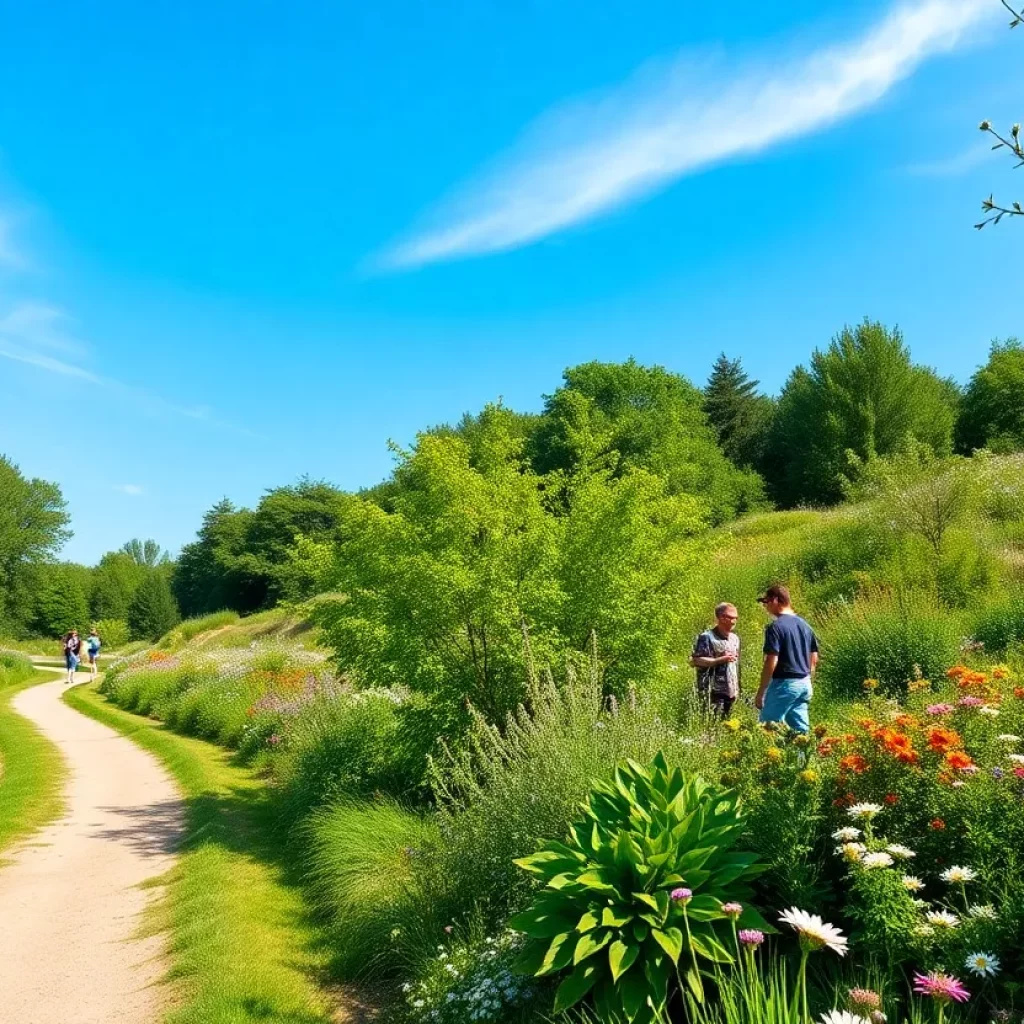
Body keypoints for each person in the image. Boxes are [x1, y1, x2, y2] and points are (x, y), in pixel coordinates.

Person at [754, 584, 818, 734]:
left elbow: (772, 660)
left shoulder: (775, 627)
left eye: (766, 602)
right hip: (804, 683)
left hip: (784, 684)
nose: (765, 607)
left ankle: (768, 757)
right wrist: (806, 678)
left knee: (767, 729)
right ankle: (802, 757)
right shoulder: (806, 626)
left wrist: (762, 691)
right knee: (800, 735)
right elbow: (813, 658)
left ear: (775, 600)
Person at [689, 602, 740, 717]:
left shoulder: (735, 638)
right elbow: (696, 660)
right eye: (731, 617)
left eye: (736, 618)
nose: (734, 621)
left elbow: (735, 665)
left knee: (728, 724)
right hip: (712, 691)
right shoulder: (707, 637)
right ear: (721, 617)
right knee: (712, 723)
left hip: (731, 690)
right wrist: (719, 660)